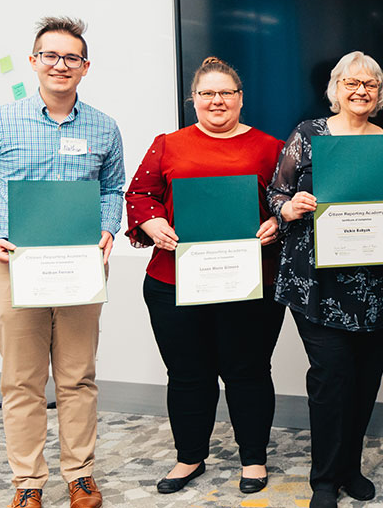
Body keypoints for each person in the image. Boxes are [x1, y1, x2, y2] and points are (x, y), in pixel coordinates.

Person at [124, 56, 285, 495]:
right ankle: (189, 457)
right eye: (206, 93)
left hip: (250, 282)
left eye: (225, 93)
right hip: (174, 283)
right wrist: (151, 222)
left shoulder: (271, 147)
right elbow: (139, 194)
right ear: (193, 99)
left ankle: (253, 459)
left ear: (240, 99)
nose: (216, 101)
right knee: (188, 374)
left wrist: (277, 223)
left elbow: (289, 201)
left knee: (248, 371)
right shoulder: (167, 144)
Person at [0, 17, 124, 508]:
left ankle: (80, 474)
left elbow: (112, 189)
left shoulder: (104, 126)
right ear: (33, 61)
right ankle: (28, 483)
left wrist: (109, 227)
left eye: (71, 58)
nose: (60, 65)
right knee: (21, 379)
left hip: (80, 266)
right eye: (51, 55)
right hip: (12, 265)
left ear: (85, 68)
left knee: (77, 375)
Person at [267, 51, 383, 508]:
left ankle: (350, 467)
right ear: (335, 88)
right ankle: (325, 481)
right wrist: (288, 207)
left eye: (370, 84)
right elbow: (277, 191)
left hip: (379, 284)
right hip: (318, 284)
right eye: (351, 82)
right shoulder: (308, 134)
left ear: (380, 92)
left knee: (367, 379)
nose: (360, 91)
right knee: (332, 379)